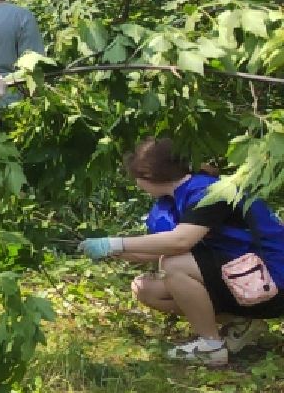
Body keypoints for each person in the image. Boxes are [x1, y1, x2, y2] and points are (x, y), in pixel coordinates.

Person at [80, 138, 284, 366]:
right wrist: (110, 251)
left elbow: (180, 242)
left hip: (272, 280)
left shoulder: (207, 192)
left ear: (148, 175)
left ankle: (211, 347)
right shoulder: (172, 200)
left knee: (174, 265)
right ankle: (242, 323)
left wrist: (115, 243)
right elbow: (158, 250)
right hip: (241, 278)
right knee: (146, 289)